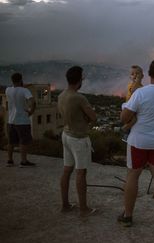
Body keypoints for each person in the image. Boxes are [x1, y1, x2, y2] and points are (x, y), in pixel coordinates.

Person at [118, 58, 154, 227]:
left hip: (138, 142)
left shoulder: (140, 93)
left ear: (149, 74)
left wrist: (125, 105)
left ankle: (127, 216)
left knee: (132, 176)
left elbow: (124, 118)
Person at [58, 66, 97, 217]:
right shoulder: (79, 97)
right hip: (79, 138)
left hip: (66, 135)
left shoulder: (61, 95)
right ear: (79, 80)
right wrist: (86, 118)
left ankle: (65, 205)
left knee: (67, 170)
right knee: (81, 173)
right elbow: (93, 117)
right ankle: (83, 209)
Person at [5, 73, 36, 167]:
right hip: (22, 120)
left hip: (11, 120)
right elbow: (32, 101)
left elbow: (16, 90)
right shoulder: (25, 91)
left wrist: (22, 86)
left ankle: (10, 161)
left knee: (11, 142)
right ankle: (23, 161)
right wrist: (31, 111)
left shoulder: (8, 90)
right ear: (21, 80)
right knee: (24, 141)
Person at [121, 65, 144, 142]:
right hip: (128, 106)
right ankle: (125, 129)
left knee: (136, 119)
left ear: (142, 76)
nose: (135, 75)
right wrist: (137, 82)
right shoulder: (131, 85)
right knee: (134, 119)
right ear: (130, 77)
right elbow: (134, 91)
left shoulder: (142, 87)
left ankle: (127, 134)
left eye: (137, 73)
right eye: (132, 74)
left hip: (134, 107)